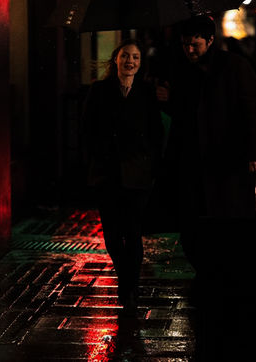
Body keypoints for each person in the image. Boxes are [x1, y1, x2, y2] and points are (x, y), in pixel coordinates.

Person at [158, 15, 256, 274]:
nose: (189, 50)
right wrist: (167, 99)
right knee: (192, 217)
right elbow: (185, 112)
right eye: (185, 44)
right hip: (193, 157)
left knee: (229, 213)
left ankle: (228, 266)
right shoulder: (182, 69)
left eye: (195, 45)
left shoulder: (234, 66)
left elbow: (254, 109)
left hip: (227, 156)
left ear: (210, 41)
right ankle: (205, 266)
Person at [82, 39, 163, 316]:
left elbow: (155, 133)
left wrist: (152, 165)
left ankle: (131, 286)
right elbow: (87, 130)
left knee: (133, 232)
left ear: (140, 64)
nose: (130, 61)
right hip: (107, 174)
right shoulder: (99, 90)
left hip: (138, 174)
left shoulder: (147, 92)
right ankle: (126, 279)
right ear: (115, 59)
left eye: (136, 58)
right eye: (126, 56)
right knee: (113, 236)